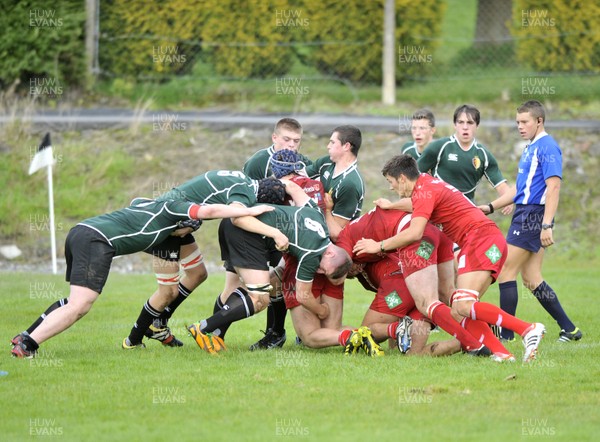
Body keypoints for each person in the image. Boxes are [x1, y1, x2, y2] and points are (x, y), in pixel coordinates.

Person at [10, 198, 276, 358]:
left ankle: (25, 335)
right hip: (96, 241)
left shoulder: (158, 218)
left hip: (81, 231)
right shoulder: (167, 221)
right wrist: (245, 212)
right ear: (179, 223)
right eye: (188, 227)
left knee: (74, 300)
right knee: (81, 305)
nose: (189, 232)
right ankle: (28, 344)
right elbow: (206, 212)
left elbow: (140, 203)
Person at [353, 155, 546, 363]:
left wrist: (378, 246)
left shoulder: (424, 191)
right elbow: (415, 204)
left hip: (479, 240)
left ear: (401, 178)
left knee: (462, 306)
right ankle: (502, 353)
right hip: (483, 240)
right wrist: (392, 206)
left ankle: (527, 329)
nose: (391, 188)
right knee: (461, 307)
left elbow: (415, 232)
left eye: (390, 182)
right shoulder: (426, 184)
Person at [122, 171, 288, 349]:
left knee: (198, 274)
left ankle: (158, 324)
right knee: (167, 292)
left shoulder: (242, 180)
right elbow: (236, 217)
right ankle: (133, 340)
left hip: (179, 221)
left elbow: (202, 197)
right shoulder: (244, 192)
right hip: (166, 224)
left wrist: (194, 220)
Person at [186, 196, 354, 354]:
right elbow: (303, 296)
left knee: (267, 285)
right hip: (246, 231)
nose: (320, 272)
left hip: (233, 221)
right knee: (259, 298)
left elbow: (293, 189)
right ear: (331, 254)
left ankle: (216, 336)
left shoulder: (317, 217)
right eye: (325, 270)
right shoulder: (313, 254)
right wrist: (321, 310)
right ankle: (204, 327)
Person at [336, 206, 505, 359]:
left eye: (350, 269)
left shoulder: (352, 248)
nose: (353, 270)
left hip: (405, 282)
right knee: (414, 355)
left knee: (364, 334)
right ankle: (474, 337)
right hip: (431, 250)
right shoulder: (367, 254)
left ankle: (399, 329)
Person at [480, 100, 582, 343]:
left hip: (533, 216)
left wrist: (546, 224)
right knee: (532, 278)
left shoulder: (547, 147)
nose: (520, 126)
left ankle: (506, 335)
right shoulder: (530, 147)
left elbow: (554, 186)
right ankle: (570, 329)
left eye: (525, 122)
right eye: (517, 122)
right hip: (527, 213)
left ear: (539, 121)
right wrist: (492, 206)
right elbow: (520, 188)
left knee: (505, 272)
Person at [417, 104, 512, 204]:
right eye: (461, 122)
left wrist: (507, 200)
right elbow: (413, 175)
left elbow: (501, 185)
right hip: (439, 207)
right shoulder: (439, 147)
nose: (465, 127)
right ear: (455, 124)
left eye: (470, 123)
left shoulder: (483, 154)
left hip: (467, 209)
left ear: (477, 126)